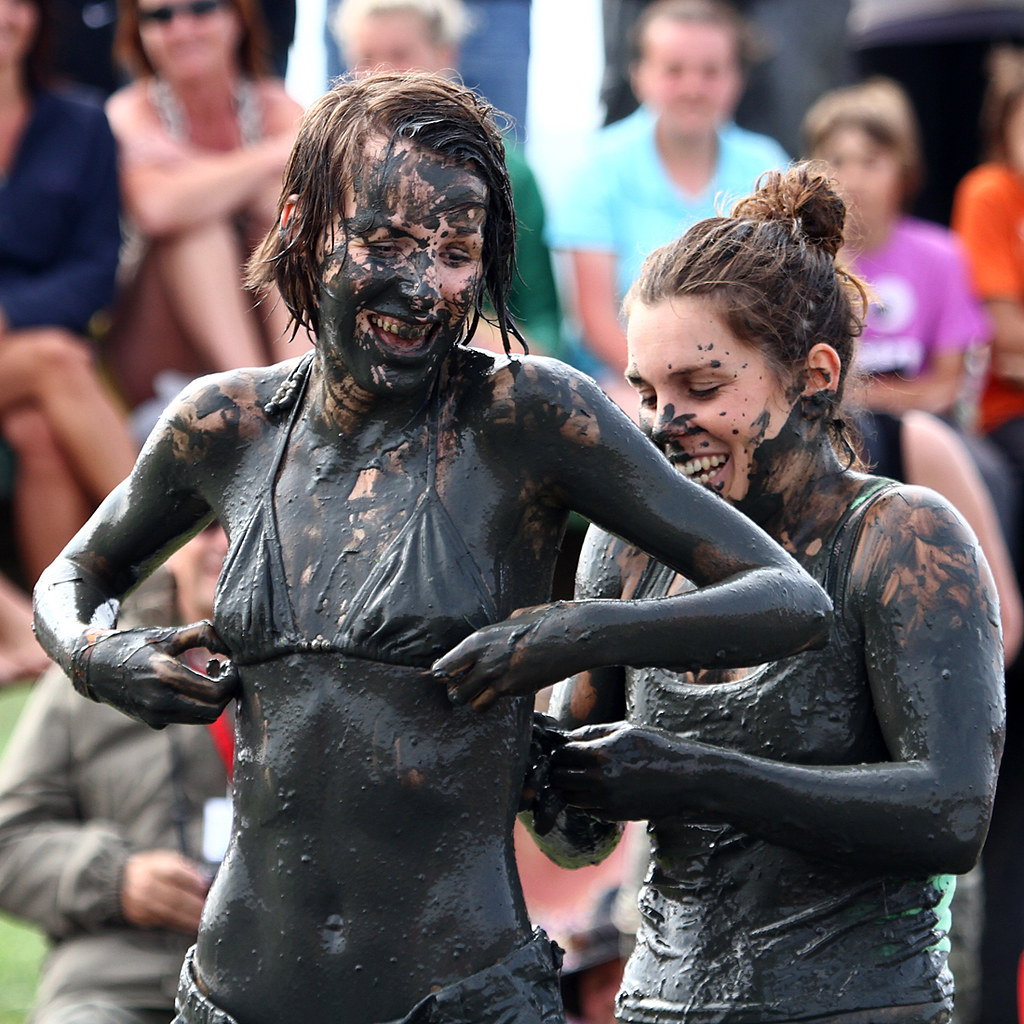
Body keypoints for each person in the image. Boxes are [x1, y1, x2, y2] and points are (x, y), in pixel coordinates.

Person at [32, 73, 832, 1024]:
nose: (424, 285)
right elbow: (74, 574)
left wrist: (573, 634)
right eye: (386, 241)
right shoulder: (226, 423)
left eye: (457, 252)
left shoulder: (528, 416)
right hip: (236, 993)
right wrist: (93, 652)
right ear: (304, 223)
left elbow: (786, 599)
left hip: (459, 997)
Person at [536, 164, 1005, 1024]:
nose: (663, 427)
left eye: (702, 389)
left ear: (814, 375)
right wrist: (520, 749)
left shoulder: (903, 537)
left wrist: (700, 776)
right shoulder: (629, 546)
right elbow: (579, 840)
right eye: (646, 393)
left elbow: (951, 814)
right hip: (660, 1004)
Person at [0, 524, 230, 1024]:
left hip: (294, 983)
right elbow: (7, 840)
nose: (224, 542)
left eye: (247, 524)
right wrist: (115, 879)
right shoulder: (99, 666)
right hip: (120, 983)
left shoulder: (344, 674)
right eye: (207, 524)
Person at [546, 0, 788, 410]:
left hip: (742, 382)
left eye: (711, 71)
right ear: (640, 76)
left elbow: (782, 299)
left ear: (737, 79)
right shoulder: (596, 168)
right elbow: (594, 320)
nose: (693, 88)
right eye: (674, 70)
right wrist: (679, 386)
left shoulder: (768, 165)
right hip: (625, 383)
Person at [102, 0, 307, 426]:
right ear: (138, 32)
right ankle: (260, 404)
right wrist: (271, 156)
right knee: (195, 231)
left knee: (280, 208)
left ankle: (300, 388)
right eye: (160, 17)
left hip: (267, 324)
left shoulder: (274, 104)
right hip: (156, 347)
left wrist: (188, 171)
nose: (182, 29)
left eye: (201, 9)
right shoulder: (131, 110)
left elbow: (310, 211)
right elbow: (158, 209)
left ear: (237, 17)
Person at [330, 0, 564, 358]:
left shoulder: (508, 170)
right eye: (364, 59)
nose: (379, 74)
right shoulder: (332, 161)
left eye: (399, 54)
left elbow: (543, 316)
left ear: (445, 54)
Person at [0, 0, 138, 582]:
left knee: (39, 435)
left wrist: (9, 315)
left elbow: (96, 269)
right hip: (48, 354)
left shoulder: (80, 122)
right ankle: (182, 560)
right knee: (58, 359)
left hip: (29, 344)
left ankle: (64, 624)